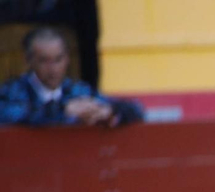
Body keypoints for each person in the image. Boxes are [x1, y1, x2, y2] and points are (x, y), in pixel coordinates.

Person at [0, 25, 136, 127]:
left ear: (67, 59)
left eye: (58, 59)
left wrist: (109, 111)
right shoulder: (13, 91)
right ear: (29, 61)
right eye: (44, 61)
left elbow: (133, 109)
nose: (53, 69)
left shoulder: (77, 90)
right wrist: (64, 110)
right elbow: (8, 113)